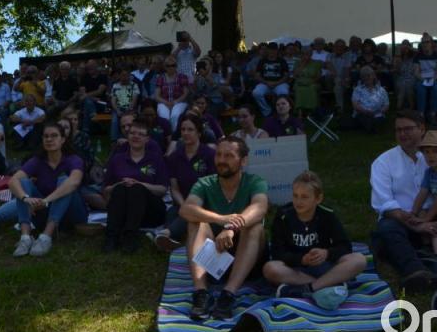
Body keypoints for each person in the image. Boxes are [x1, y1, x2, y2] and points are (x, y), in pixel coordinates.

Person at [370, 111, 437, 291]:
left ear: (422, 129)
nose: (402, 134)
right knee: (386, 228)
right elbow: (384, 203)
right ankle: (416, 272)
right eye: (398, 130)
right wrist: (416, 224)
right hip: (405, 220)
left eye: (408, 129)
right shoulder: (383, 162)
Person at [181, 137, 269, 320]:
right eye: (219, 155)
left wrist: (231, 226)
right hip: (214, 261)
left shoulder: (255, 182)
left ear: (243, 161)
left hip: (248, 261)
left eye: (229, 156)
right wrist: (221, 219)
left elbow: (260, 208)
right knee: (194, 222)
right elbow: (186, 209)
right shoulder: (205, 183)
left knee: (254, 227)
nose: (222, 160)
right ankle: (201, 293)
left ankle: (228, 294)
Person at [264, 171, 366, 310]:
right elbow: (277, 252)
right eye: (295, 196)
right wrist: (301, 259)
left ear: (318, 199)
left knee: (359, 259)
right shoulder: (283, 216)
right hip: (296, 270)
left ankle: (306, 289)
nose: (298, 202)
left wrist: (326, 253)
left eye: (305, 197)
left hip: (324, 266)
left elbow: (344, 246)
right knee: (270, 269)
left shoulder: (327, 215)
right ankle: (329, 284)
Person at [0, 123, 88, 257]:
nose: (49, 139)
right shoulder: (38, 161)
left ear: (63, 140)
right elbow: (13, 180)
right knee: (23, 182)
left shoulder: (74, 159)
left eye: (54, 136)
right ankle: (25, 237)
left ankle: (46, 237)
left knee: (64, 181)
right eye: (46, 136)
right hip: (44, 211)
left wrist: (46, 200)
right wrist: (25, 198)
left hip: (73, 213)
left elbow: (74, 182)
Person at [102, 120, 170, 253]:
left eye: (140, 134)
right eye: (132, 133)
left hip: (151, 212)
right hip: (123, 210)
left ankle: (130, 237)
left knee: (136, 188)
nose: (136, 136)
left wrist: (140, 184)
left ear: (147, 139)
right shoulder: (117, 159)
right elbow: (105, 190)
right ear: (127, 136)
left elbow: (163, 190)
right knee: (121, 188)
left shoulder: (156, 159)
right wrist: (118, 184)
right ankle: (111, 238)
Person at [154, 114, 217, 251]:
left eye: (190, 130)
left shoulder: (210, 155)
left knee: (187, 213)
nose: (186, 133)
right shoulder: (175, 157)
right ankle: (168, 237)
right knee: (172, 212)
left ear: (199, 133)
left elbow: (213, 186)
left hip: (204, 201)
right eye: (183, 130)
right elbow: (174, 187)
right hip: (181, 201)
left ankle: (165, 234)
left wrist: (189, 206)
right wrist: (184, 204)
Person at [252, 42, 290, 117]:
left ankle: (281, 111)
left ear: (277, 51)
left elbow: (286, 75)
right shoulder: (262, 61)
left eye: (274, 50)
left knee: (283, 92)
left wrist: (277, 83)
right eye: (271, 50)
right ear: (268, 50)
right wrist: (266, 82)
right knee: (256, 92)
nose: (272, 51)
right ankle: (267, 111)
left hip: (279, 83)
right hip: (265, 83)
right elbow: (257, 75)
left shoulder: (282, 61)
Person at [154, 55, 190, 131]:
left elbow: (186, 93)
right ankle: (165, 136)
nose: (171, 67)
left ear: (176, 66)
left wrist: (175, 102)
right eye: (168, 66)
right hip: (164, 102)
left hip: (179, 102)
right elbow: (157, 96)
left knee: (175, 115)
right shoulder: (160, 78)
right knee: (164, 116)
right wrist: (166, 103)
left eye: (173, 65)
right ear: (165, 67)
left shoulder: (182, 77)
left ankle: (173, 136)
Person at [351, 65, 390, 133]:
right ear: (362, 78)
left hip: (378, 113)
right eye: (364, 76)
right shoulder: (357, 90)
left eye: (369, 75)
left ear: (374, 76)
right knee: (364, 118)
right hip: (363, 113)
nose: (367, 78)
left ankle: (371, 126)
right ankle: (372, 127)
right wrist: (365, 112)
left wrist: (380, 111)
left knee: (377, 119)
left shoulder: (381, 90)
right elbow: (355, 105)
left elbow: (386, 104)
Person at [414, 38, 437, 125]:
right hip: (421, 78)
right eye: (423, 42)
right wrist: (423, 79)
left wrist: (432, 79)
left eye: (427, 42)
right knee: (420, 90)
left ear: (431, 44)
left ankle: (432, 114)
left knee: (436, 88)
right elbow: (416, 72)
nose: (425, 44)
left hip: (435, 78)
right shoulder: (418, 56)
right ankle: (421, 115)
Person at [78, 59, 110, 131]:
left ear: (96, 66)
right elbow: (82, 93)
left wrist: (88, 97)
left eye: (92, 66)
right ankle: (93, 116)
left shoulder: (103, 77)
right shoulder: (84, 78)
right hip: (89, 102)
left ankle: (85, 130)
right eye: (88, 67)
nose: (90, 68)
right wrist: (92, 98)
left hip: (101, 103)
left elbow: (100, 91)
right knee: (88, 102)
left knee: (87, 102)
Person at [110, 65, 139, 140]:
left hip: (131, 109)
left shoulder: (134, 86)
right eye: (123, 75)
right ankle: (115, 141)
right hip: (118, 109)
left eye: (127, 75)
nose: (125, 77)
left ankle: (131, 138)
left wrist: (128, 110)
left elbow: (134, 100)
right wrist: (117, 110)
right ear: (119, 75)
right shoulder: (115, 86)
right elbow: (113, 101)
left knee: (130, 120)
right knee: (114, 121)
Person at [293, 47, 323, 113]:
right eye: (303, 53)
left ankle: (312, 110)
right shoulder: (297, 62)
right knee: (299, 88)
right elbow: (295, 75)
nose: (305, 55)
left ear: (311, 54)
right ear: (301, 54)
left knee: (312, 88)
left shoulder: (316, 63)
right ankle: (300, 111)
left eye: (307, 53)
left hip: (313, 82)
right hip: (300, 82)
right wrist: (303, 64)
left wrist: (310, 82)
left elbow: (318, 77)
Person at [328, 39, 352, 112]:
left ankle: (339, 108)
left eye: (342, 46)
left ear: (344, 48)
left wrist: (346, 79)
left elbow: (346, 70)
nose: (339, 48)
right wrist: (340, 79)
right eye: (337, 46)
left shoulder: (347, 56)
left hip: (340, 81)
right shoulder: (330, 55)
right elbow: (331, 69)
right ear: (334, 47)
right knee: (337, 80)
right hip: (329, 80)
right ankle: (340, 108)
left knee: (338, 86)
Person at [393, 40, 416, 110]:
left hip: (412, 77)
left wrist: (409, 48)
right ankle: (399, 107)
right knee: (403, 86)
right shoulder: (398, 57)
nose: (405, 47)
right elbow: (397, 70)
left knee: (408, 86)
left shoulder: (414, 57)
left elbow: (419, 51)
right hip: (401, 77)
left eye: (407, 45)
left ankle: (409, 108)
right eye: (403, 45)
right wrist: (399, 54)